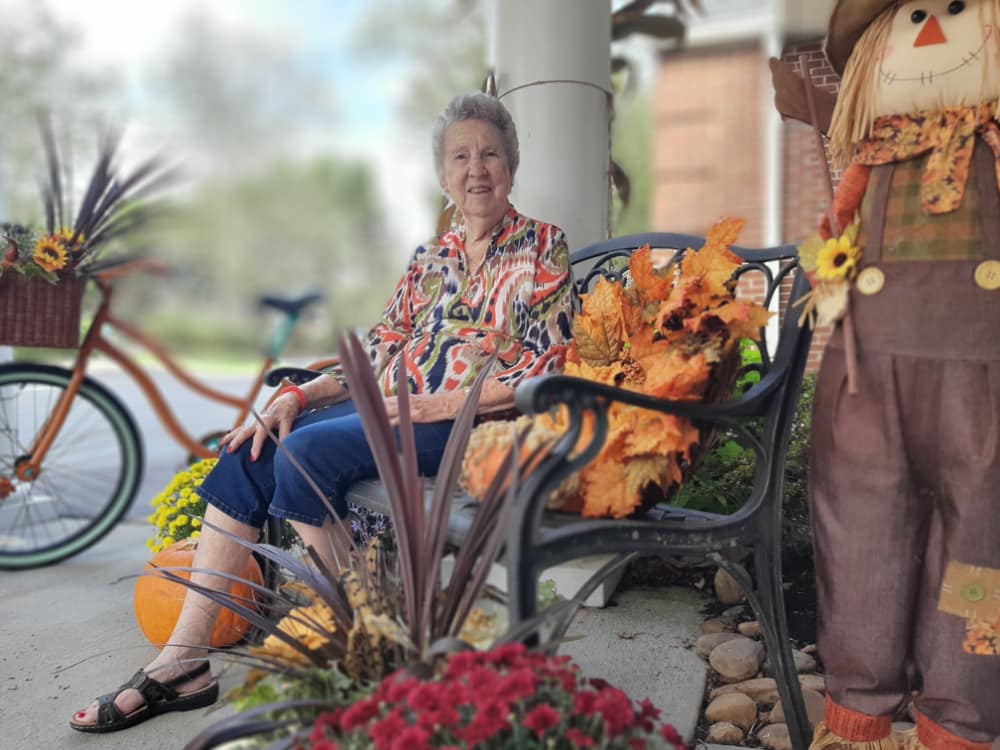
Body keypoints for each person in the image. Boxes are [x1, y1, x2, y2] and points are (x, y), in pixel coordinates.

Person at [69, 91, 574, 733]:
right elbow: (375, 353)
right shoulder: (429, 259)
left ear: (512, 166)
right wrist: (297, 395)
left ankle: (374, 643)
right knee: (252, 449)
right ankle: (184, 663)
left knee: (307, 454)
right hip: (388, 415)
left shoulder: (542, 246)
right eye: (460, 156)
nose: (477, 169)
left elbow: (546, 365)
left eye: (491, 154)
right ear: (443, 175)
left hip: (466, 427)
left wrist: (422, 404)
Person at [804, 2, 1000, 750]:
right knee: (861, 537)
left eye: (953, 9)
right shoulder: (875, 157)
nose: (928, 32)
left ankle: (962, 717)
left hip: (984, 380)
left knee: (983, 550)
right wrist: (825, 281)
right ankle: (858, 711)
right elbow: (832, 239)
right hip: (868, 374)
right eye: (914, 14)